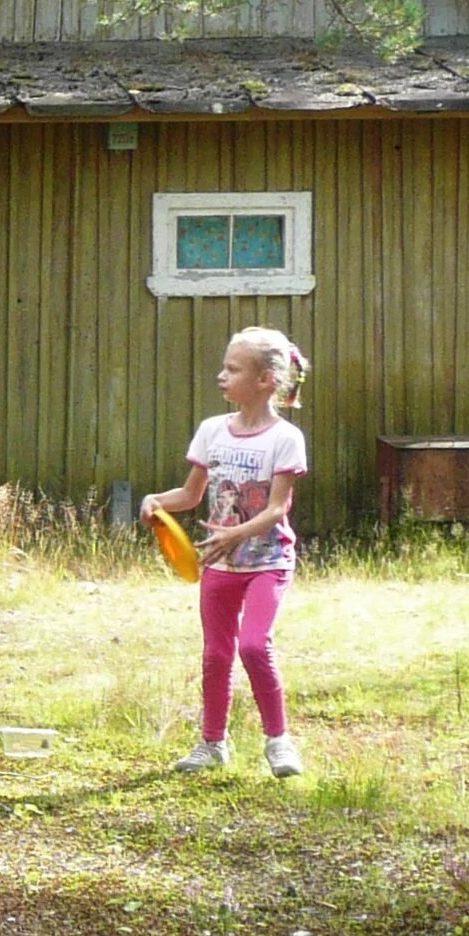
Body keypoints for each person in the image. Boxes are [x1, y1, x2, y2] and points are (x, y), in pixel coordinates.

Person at [143, 327, 312, 779]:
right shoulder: (212, 431)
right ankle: (213, 743)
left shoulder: (285, 438)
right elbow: (191, 494)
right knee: (217, 654)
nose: (221, 376)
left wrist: (234, 536)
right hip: (219, 563)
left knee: (255, 646)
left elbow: (277, 508)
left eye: (232, 369)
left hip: (267, 562)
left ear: (265, 381)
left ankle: (279, 742)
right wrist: (156, 501)